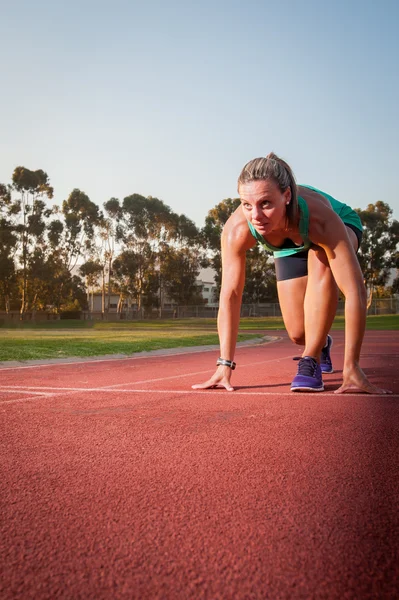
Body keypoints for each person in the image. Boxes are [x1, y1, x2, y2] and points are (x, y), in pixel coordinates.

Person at [193, 153, 391, 394]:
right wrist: (224, 365)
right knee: (299, 333)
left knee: (321, 257)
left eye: (265, 203)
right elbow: (231, 294)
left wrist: (352, 367)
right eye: (247, 204)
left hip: (334, 227)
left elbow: (354, 292)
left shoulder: (322, 219)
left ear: (286, 196)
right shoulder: (238, 229)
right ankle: (321, 343)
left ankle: (311, 360)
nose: (255, 216)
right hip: (287, 241)